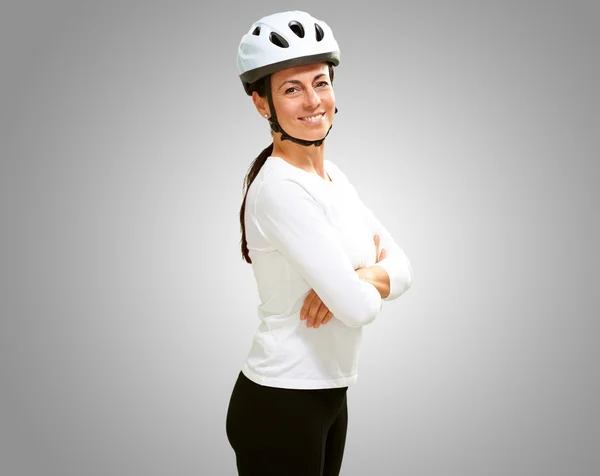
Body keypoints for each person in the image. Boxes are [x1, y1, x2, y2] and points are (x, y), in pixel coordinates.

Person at [225, 10, 413, 476]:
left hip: (328, 395)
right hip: (281, 402)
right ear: (261, 103)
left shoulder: (334, 179)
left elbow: (405, 267)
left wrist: (357, 278)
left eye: (321, 82)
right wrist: (361, 283)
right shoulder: (280, 190)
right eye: (292, 88)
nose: (313, 100)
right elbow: (357, 309)